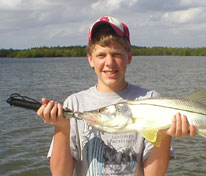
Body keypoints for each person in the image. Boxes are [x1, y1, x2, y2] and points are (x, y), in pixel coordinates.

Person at [37, 16, 196, 176]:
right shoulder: (75, 103)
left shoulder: (150, 98)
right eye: (101, 55)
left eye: (117, 54)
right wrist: (62, 128)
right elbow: (60, 173)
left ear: (129, 57)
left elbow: (154, 174)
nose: (109, 62)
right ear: (90, 59)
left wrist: (165, 134)